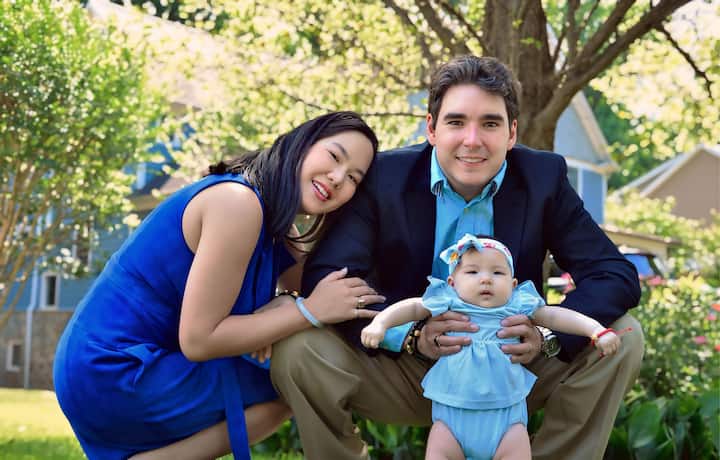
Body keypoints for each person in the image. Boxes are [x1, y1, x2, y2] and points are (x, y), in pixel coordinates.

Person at [271, 55, 644, 460]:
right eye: (456, 122)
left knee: (625, 334)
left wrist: (546, 338)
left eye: (490, 124)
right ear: (432, 129)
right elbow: (330, 274)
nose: (472, 140)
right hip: (406, 368)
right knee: (299, 350)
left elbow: (613, 273)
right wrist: (411, 335)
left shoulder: (543, 178)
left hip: (510, 370)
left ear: (512, 133)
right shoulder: (385, 176)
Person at [53, 111, 385, 460]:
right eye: (334, 156)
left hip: (107, 368)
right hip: (112, 370)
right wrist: (307, 311)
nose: (337, 178)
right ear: (300, 144)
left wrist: (288, 303)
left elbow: (308, 286)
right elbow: (199, 340)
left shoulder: (275, 225)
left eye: (353, 178)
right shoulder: (237, 204)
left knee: (297, 371)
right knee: (295, 376)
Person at [361, 234, 624, 459]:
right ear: (452, 282)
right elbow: (412, 307)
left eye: (497, 272)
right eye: (472, 272)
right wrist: (380, 324)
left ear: (513, 284)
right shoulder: (448, 301)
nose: (486, 279)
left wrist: (595, 330)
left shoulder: (517, 304)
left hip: (507, 423)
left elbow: (556, 316)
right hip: (451, 422)